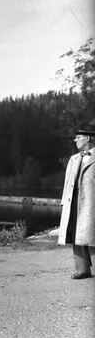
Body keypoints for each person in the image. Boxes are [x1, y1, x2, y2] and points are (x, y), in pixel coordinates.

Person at [58, 119, 95, 280]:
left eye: (78, 137)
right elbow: (67, 182)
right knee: (75, 235)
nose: (75, 140)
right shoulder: (74, 159)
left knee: (91, 235)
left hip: (91, 203)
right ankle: (82, 270)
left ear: (88, 138)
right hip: (73, 202)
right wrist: (63, 202)